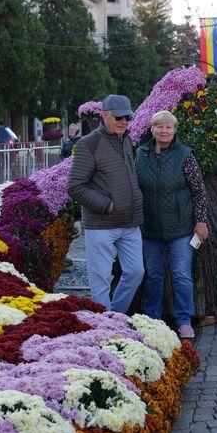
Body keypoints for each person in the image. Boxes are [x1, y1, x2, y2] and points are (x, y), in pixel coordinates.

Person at [67, 94, 144, 313]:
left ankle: (115, 317)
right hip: (101, 224)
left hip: (130, 222)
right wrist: (107, 205)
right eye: (119, 117)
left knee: (136, 272)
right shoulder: (88, 144)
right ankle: (104, 325)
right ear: (105, 116)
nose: (124, 122)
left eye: (128, 117)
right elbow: (75, 186)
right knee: (100, 281)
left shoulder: (127, 139)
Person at [136, 110, 209, 339]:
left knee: (181, 275)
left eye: (169, 127)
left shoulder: (185, 155)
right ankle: (152, 319)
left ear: (175, 130)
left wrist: (201, 221)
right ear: (152, 129)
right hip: (150, 228)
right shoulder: (141, 154)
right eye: (160, 127)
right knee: (153, 275)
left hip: (180, 229)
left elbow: (199, 192)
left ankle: (184, 320)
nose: (164, 131)